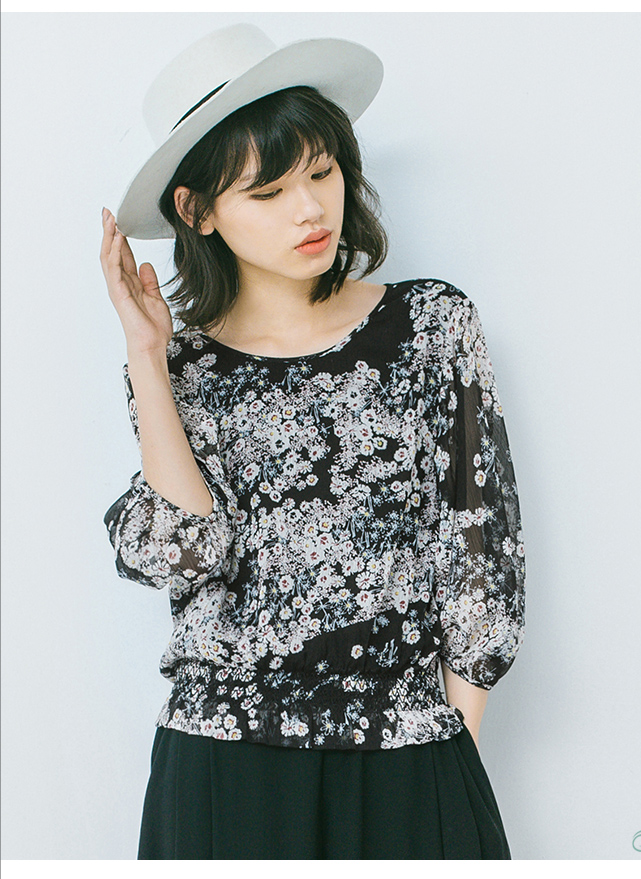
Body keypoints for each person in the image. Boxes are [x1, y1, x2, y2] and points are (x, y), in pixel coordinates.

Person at [100, 23, 526, 860]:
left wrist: (449, 757)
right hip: (222, 763)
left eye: (322, 173)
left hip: (408, 752)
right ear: (197, 211)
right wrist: (147, 354)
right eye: (268, 193)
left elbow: (479, 551)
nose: (309, 210)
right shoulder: (181, 368)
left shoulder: (430, 325)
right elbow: (187, 551)